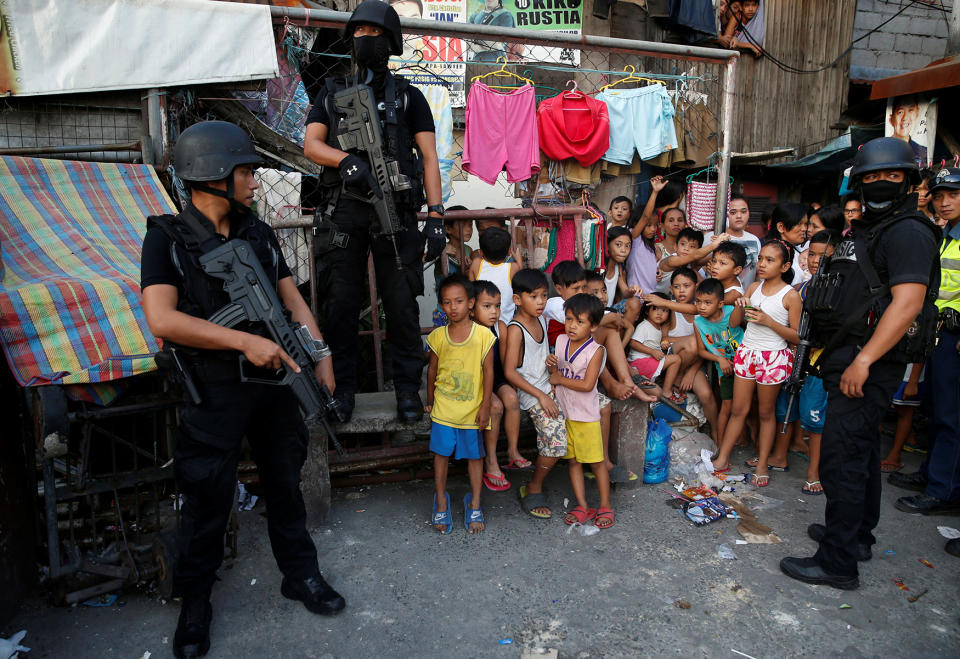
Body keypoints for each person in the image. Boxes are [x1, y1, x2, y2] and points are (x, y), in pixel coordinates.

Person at [142, 121, 344, 659]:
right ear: (212, 176)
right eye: (246, 171)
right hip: (214, 389)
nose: (255, 181)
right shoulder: (165, 238)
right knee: (207, 497)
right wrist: (239, 341)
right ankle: (195, 603)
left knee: (285, 482)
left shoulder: (257, 231)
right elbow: (161, 318)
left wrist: (319, 356)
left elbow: (292, 300)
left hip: (278, 381)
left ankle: (299, 574)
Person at [781, 137, 940, 589]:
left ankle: (837, 563)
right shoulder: (872, 228)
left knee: (842, 459)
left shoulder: (908, 231)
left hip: (864, 362)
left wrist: (865, 360)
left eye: (891, 176)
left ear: (908, 180)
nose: (880, 183)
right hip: (845, 355)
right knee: (863, 453)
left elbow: (908, 302)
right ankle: (855, 538)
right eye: (871, 176)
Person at [304, 0, 445, 423]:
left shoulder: (409, 97)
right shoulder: (330, 93)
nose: (365, 41)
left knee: (401, 306)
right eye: (359, 35)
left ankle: (407, 391)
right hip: (345, 209)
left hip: (396, 210)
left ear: (391, 42)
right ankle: (342, 391)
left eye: (374, 34)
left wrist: (436, 217)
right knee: (341, 304)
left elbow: (430, 157)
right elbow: (311, 145)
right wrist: (344, 161)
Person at [889, 166, 960, 525]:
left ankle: (943, 490)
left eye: (954, 196)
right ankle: (932, 473)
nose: (945, 202)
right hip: (939, 332)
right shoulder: (945, 233)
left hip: (955, 335)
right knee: (934, 408)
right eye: (940, 195)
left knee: (951, 416)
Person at [711, 241, 801, 486]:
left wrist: (768, 321)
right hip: (748, 352)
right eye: (761, 258)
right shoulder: (753, 287)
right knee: (739, 410)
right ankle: (722, 459)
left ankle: (762, 464)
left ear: (785, 266)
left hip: (772, 357)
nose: (762, 264)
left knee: (765, 412)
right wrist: (741, 305)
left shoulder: (790, 296)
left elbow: (797, 336)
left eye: (770, 260)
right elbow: (734, 324)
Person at [764, 230, 837, 494]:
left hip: (819, 364)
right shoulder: (800, 288)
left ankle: (813, 471)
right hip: (793, 358)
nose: (815, 260)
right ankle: (779, 457)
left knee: (813, 419)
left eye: (823, 255)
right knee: (785, 409)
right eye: (812, 254)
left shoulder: (839, 288)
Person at [424, 274, 495, 534]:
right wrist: (430, 401)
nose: (453, 307)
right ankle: (441, 499)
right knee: (441, 455)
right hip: (444, 409)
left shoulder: (483, 336)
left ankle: (474, 502)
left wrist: (485, 406)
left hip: (472, 411)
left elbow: (488, 373)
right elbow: (432, 371)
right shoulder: (438, 336)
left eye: (459, 301)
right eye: (446, 302)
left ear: (471, 302)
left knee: (475, 458)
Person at [547, 294, 615, 529]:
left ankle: (605, 505)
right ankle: (583, 505)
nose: (572, 325)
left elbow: (587, 384)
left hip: (586, 416)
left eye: (579, 321)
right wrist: (552, 365)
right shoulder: (561, 340)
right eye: (568, 319)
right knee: (574, 461)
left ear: (594, 326)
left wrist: (559, 378)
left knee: (596, 463)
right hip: (566, 413)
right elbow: (558, 370)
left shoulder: (596, 351)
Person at [506, 268, 565, 520]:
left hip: (548, 384)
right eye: (534, 296)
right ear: (518, 299)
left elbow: (540, 358)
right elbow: (511, 372)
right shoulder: (516, 329)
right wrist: (541, 396)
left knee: (599, 404)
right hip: (531, 392)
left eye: (543, 295)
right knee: (556, 440)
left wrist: (552, 368)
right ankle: (533, 486)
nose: (541, 302)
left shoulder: (540, 318)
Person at [472, 279, 529, 482]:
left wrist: (512, 388)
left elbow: (506, 366)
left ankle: (513, 452)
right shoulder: (469, 330)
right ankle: (491, 460)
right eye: (486, 306)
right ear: (472, 308)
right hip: (475, 382)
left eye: (497, 306)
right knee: (495, 407)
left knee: (512, 400)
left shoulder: (500, 328)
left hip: (495, 376)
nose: (494, 312)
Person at [694, 278, 745, 446]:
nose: (701, 306)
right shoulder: (698, 322)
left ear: (720, 303)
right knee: (727, 406)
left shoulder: (731, 312)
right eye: (698, 301)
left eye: (707, 302)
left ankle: (744, 439)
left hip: (745, 365)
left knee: (747, 405)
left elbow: (742, 326)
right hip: (725, 370)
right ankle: (721, 445)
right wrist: (719, 359)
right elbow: (701, 350)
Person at [628, 292, 683, 399]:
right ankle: (667, 391)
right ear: (647, 311)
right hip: (639, 362)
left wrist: (662, 346)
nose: (660, 313)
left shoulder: (659, 328)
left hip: (646, 363)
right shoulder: (644, 326)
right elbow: (633, 343)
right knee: (676, 359)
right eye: (655, 309)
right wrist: (652, 352)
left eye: (664, 310)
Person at [705, 194, 762, 289]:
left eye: (743, 212)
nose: (739, 216)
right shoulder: (712, 237)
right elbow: (697, 266)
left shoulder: (754, 240)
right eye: (733, 212)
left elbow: (757, 272)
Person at [469, 227, 520, 323]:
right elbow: (521, 278)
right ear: (509, 251)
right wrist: (518, 260)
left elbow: (470, 289)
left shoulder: (476, 264)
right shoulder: (513, 268)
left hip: (480, 322)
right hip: (505, 323)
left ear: (481, 253)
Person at [603, 226, 644, 325]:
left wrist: (632, 290)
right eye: (618, 245)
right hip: (595, 313)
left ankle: (621, 337)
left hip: (610, 311)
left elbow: (625, 293)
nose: (623, 250)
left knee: (635, 302)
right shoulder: (599, 268)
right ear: (607, 245)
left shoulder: (619, 267)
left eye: (627, 246)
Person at [765, 202, 809, 283]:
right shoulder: (771, 254)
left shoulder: (799, 251)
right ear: (781, 227)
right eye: (799, 224)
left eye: (805, 224)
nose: (804, 229)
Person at [888, 95, 928, 165]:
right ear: (891, 119)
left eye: (911, 110)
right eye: (900, 112)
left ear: (917, 113)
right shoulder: (882, 149)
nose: (905, 117)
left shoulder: (923, 152)